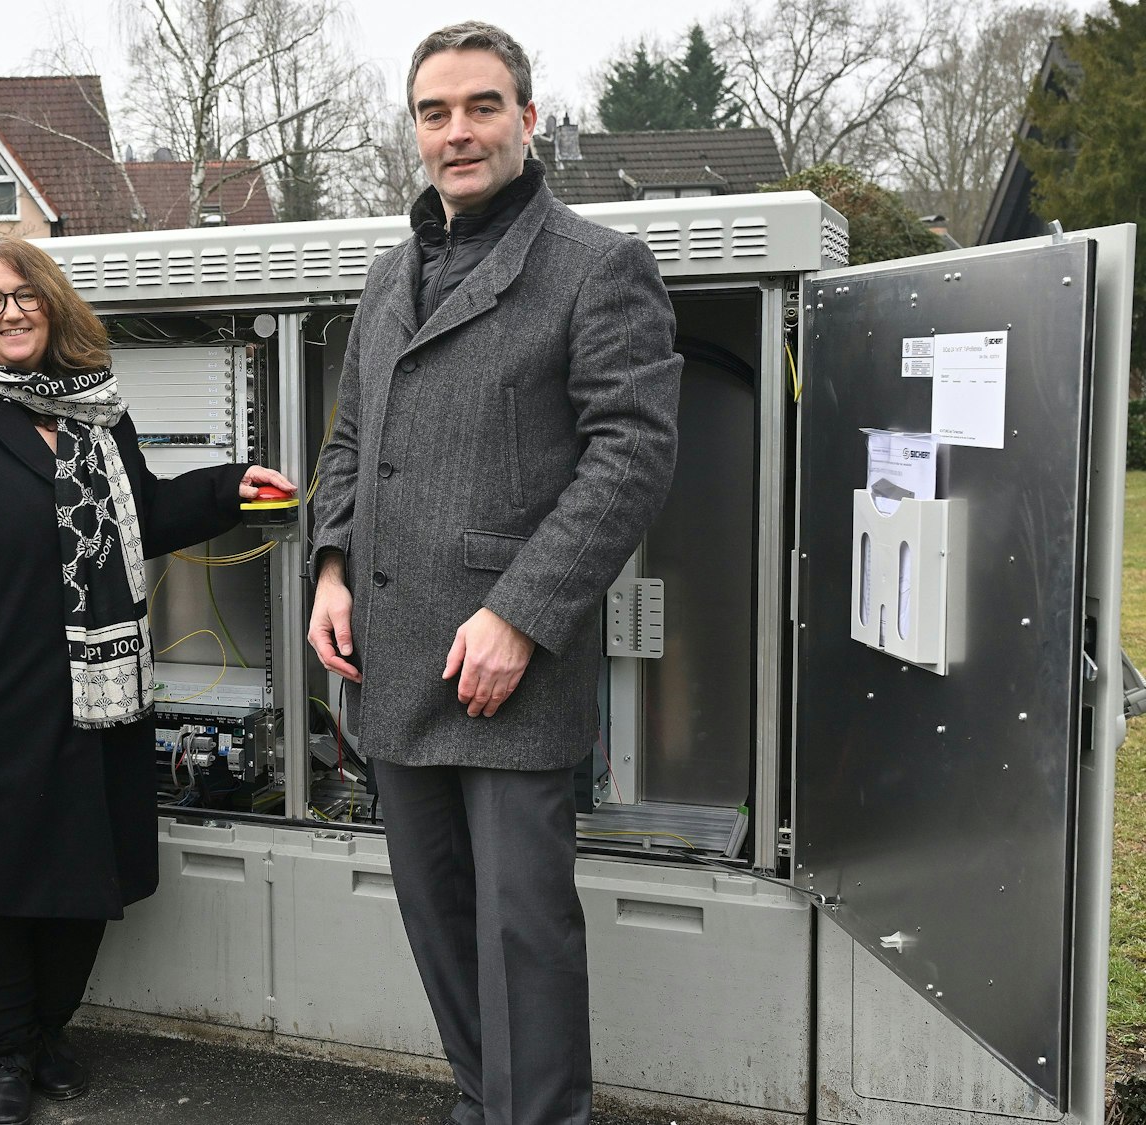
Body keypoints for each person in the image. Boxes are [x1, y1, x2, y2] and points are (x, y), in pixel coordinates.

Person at [306, 21, 681, 1125]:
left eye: (479, 106)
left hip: (503, 667)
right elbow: (348, 439)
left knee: (521, 938)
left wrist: (518, 616)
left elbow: (631, 455)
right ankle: (482, 1104)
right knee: (437, 924)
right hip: (387, 658)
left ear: (527, 116)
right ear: (414, 131)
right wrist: (330, 564)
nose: (455, 131)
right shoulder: (390, 272)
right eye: (434, 112)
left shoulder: (594, 265)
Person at [0, 236, 295, 1125]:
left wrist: (228, 489)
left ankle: (52, 1032)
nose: (11, 311)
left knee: (79, 875)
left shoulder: (98, 417)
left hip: (98, 701)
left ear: (52, 306)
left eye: (25, 295)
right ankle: (2, 1055)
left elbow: (141, 514)